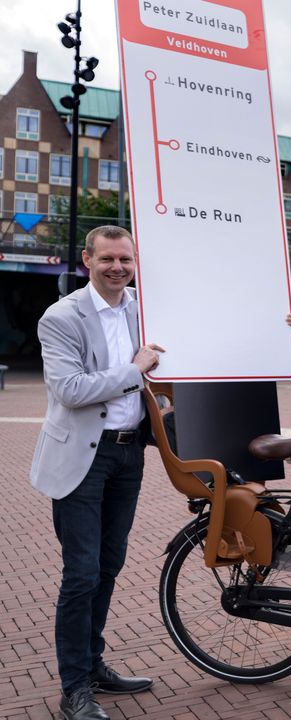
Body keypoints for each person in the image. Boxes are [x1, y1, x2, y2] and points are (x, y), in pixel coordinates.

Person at [31, 226, 162, 720]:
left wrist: (286, 324)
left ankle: (93, 664)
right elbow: (70, 389)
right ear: (88, 259)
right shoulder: (61, 316)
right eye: (107, 258)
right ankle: (74, 688)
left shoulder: (143, 310)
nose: (118, 267)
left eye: (125, 259)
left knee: (109, 566)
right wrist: (135, 369)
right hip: (82, 460)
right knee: (81, 574)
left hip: (130, 456)